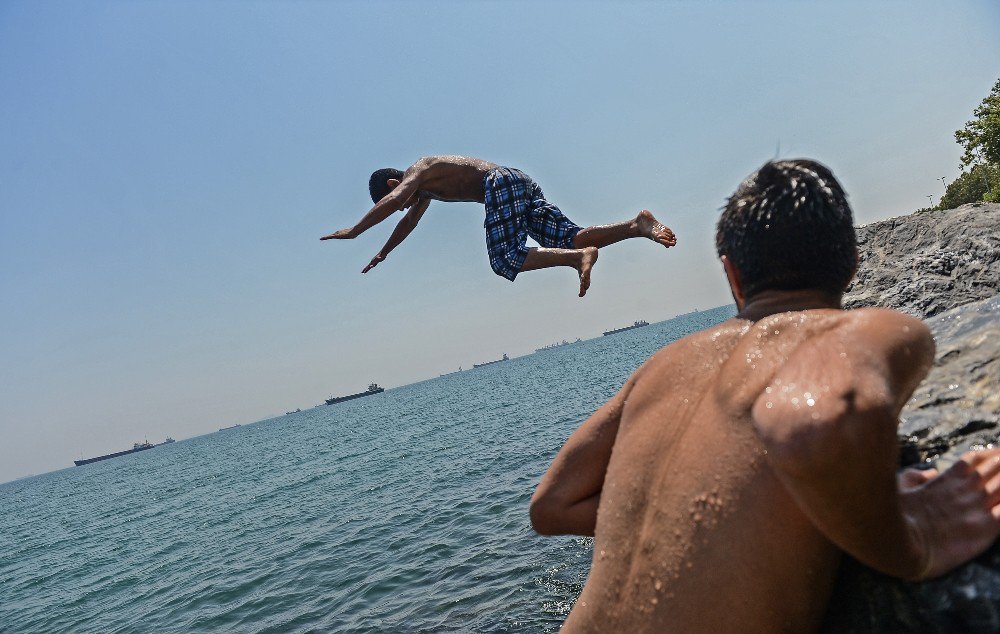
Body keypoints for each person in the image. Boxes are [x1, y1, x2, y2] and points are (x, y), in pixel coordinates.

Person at [529, 159, 1000, 632]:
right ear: (854, 265)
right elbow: (809, 427)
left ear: (731, 274)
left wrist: (685, 524)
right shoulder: (860, 328)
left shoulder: (659, 367)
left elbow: (552, 505)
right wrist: (915, 541)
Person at [320, 155, 676, 297]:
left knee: (504, 259)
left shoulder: (419, 171)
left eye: (395, 199)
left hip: (499, 184)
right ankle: (636, 225)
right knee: (570, 236)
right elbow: (408, 222)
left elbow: (397, 203)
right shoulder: (425, 189)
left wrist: (354, 231)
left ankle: (577, 259)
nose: (403, 207)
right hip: (518, 180)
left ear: (390, 184)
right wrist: (383, 252)